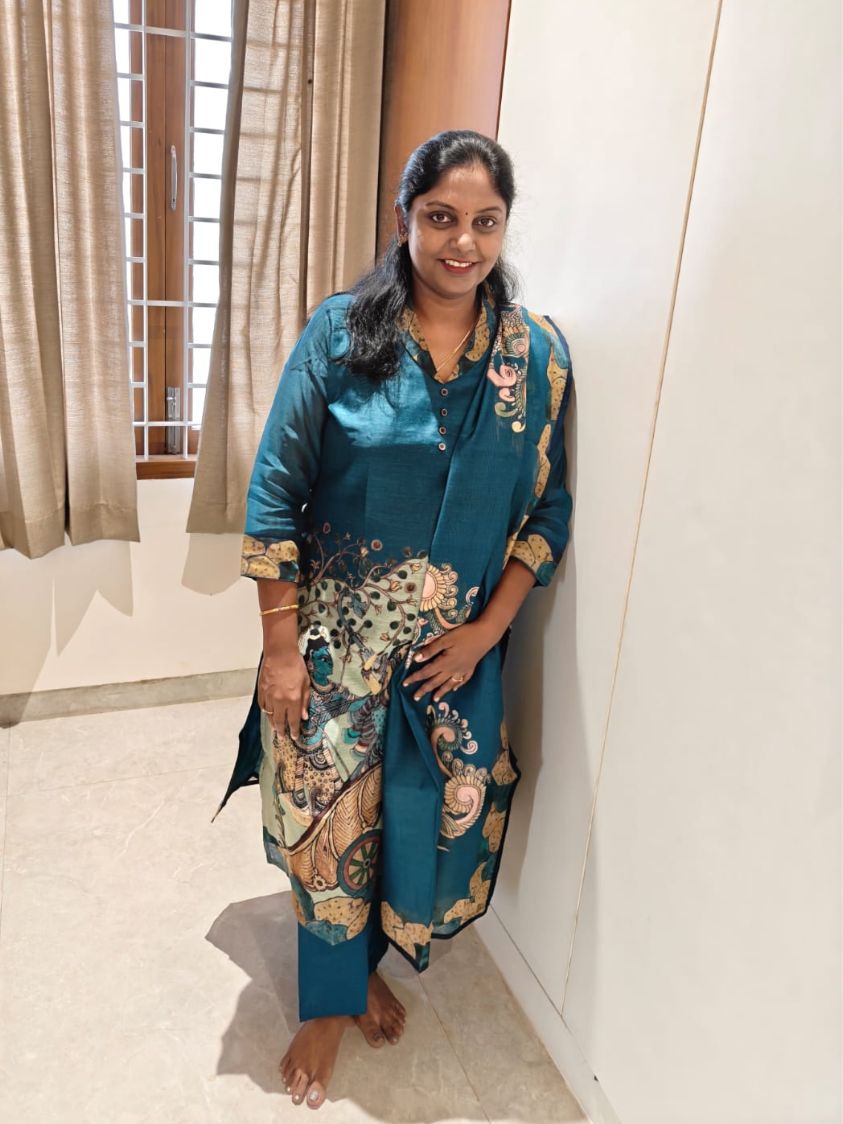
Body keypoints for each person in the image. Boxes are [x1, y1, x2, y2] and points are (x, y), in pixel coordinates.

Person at [212, 129, 574, 1110]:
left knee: (413, 823)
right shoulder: (342, 334)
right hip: (335, 648)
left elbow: (546, 512)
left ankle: (365, 963)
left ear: (504, 227)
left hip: (452, 661)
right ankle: (328, 1001)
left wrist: (489, 630)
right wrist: (279, 650)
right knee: (328, 824)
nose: (463, 242)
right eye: (441, 217)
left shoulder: (535, 359)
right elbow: (274, 492)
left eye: (485, 221)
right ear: (405, 218)